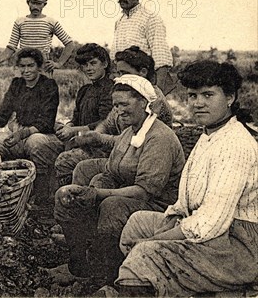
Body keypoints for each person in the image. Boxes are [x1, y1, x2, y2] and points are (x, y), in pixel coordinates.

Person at [116, 61, 258, 297]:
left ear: (230, 97)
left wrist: (156, 241)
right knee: (137, 224)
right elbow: (189, 203)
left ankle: (143, 281)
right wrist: (167, 226)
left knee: (144, 255)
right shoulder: (211, 133)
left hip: (238, 247)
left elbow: (210, 223)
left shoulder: (235, 145)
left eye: (208, 95)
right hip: (213, 230)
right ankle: (161, 285)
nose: (198, 103)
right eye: (192, 95)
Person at [53, 74, 185, 285]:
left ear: (144, 102)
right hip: (128, 194)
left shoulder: (159, 137)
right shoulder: (129, 133)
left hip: (157, 205)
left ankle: (107, 275)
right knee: (70, 196)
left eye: (125, 104)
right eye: (116, 105)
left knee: (112, 206)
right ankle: (78, 264)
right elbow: (110, 172)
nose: (119, 110)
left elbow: (144, 191)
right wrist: (94, 187)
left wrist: (98, 194)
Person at [55, 46, 173, 187]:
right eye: (119, 73)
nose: (121, 78)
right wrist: (96, 133)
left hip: (142, 161)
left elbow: (136, 141)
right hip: (121, 153)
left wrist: (99, 138)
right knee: (76, 163)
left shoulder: (153, 100)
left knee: (81, 168)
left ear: (143, 72)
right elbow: (108, 122)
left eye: (125, 73)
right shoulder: (127, 93)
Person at [0, 47, 63, 206]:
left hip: (42, 134)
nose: (26, 70)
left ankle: (41, 196)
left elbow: (46, 121)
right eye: (22, 66)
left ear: (38, 66)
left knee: (35, 143)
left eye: (30, 66)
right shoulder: (17, 84)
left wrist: (21, 134)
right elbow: (4, 111)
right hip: (20, 133)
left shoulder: (49, 85)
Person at [113, 0, 176, 95]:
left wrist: (157, 96)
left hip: (144, 86)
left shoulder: (150, 19)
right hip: (125, 87)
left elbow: (161, 60)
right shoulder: (119, 21)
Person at [0, 0, 78, 72]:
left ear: (44, 4)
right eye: (32, 3)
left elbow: (69, 43)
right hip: (23, 64)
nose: (35, 7)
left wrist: (59, 63)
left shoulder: (51, 22)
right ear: (28, 3)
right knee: (20, 89)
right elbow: (11, 47)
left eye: (39, 4)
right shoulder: (20, 22)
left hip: (42, 66)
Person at [55, 43, 114, 142]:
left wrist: (73, 130)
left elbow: (105, 122)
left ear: (105, 64)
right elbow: (76, 118)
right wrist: (68, 126)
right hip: (78, 138)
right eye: (85, 65)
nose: (88, 68)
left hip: (97, 142)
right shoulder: (85, 90)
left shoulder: (110, 89)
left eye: (93, 63)